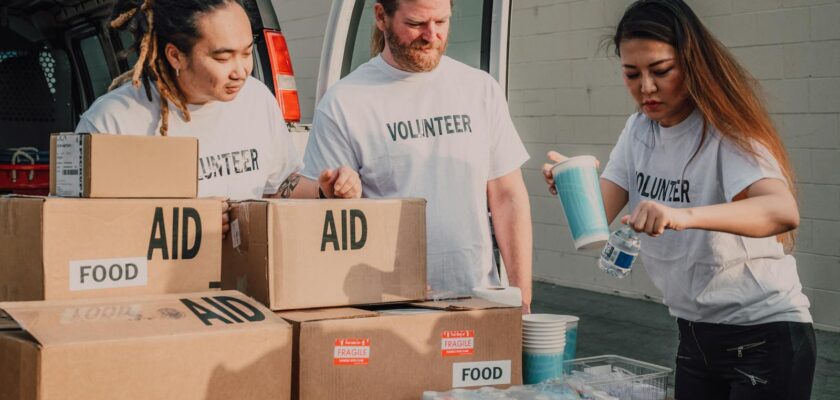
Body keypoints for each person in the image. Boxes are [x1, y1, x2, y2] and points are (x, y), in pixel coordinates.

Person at [542, 1, 814, 398]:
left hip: (764, 335)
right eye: (631, 74)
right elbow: (595, 224)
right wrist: (571, 183)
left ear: (691, 63)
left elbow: (781, 210)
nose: (646, 88)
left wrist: (682, 216)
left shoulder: (725, 130)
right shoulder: (638, 130)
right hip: (694, 335)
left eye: (661, 71)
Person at [302, 0, 533, 311]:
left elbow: (507, 196)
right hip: (388, 307)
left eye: (442, 22)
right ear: (381, 16)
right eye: (416, 24)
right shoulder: (345, 102)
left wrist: (522, 297)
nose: (431, 35)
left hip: (479, 300)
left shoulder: (479, 89)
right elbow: (327, 224)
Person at [75, 0, 361, 228]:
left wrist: (324, 191)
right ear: (176, 55)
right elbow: (79, 227)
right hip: (153, 293)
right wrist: (183, 222)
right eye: (223, 58)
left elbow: (277, 186)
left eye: (247, 53)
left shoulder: (257, 98)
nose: (241, 71)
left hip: (243, 286)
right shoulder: (112, 122)